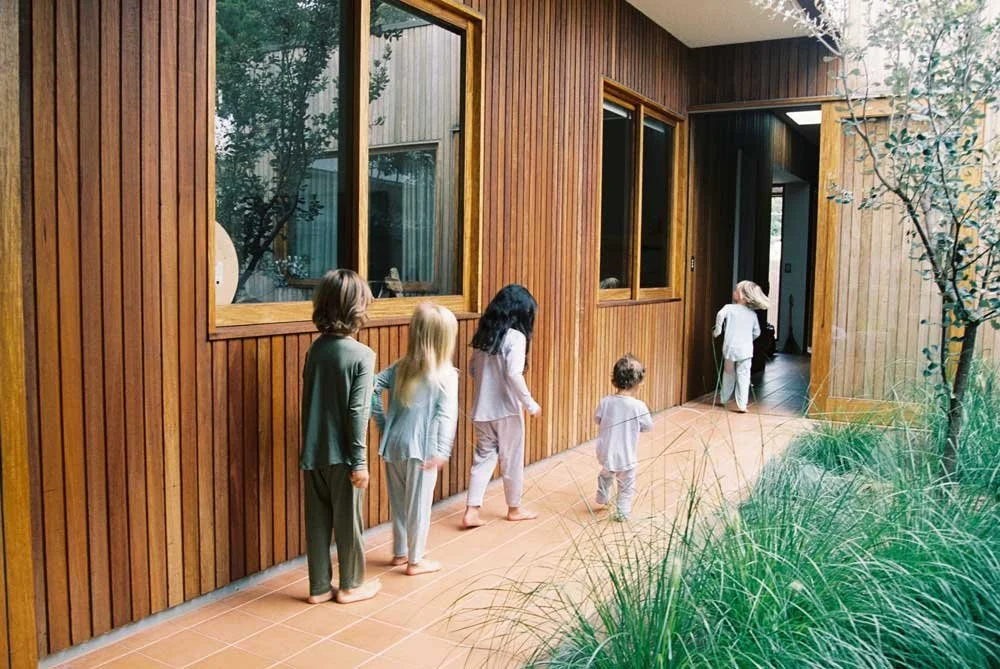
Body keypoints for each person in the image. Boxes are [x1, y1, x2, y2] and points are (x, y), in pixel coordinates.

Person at [300, 269, 381, 604]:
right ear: (357, 309)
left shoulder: (315, 350)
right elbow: (357, 413)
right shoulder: (362, 355)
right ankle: (351, 585)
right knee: (349, 525)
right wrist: (359, 463)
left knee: (317, 524)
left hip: (312, 454)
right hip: (344, 457)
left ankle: (319, 587)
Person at [371, 304, 459, 576]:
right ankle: (416, 560)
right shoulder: (446, 376)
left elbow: (371, 388)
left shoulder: (401, 367)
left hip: (393, 445)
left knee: (399, 503)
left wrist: (383, 424)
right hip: (423, 450)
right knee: (418, 506)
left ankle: (400, 553)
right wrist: (442, 450)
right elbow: (446, 416)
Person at [462, 285, 541, 529]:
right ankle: (514, 508)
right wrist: (529, 403)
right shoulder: (515, 338)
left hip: (481, 410)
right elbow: (514, 373)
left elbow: (472, 369)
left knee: (483, 457)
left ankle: (472, 510)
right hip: (507, 409)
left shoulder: (484, 337)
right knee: (512, 459)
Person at [594, 354, 653, 520]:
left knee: (607, 472)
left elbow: (597, 419)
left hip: (605, 451)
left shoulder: (605, 402)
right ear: (639, 383)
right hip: (626, 455)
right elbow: (648, 426)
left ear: (614, 379)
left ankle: (602, 496)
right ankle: (622, 512)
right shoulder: (638, 407)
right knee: (626, 485)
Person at [714, 280, 770, 413]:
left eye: (736, 290)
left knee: (728, 373)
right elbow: (757, 332)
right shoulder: (752, 315)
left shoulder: (729, 308)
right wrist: (747, 339)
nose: (733, 292)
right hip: (745, 350)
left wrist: (718, 330)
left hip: (730, 349)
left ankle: (724, 398)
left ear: (742, 296)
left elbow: (720, 315)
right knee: (744, 376)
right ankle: (742, 405)